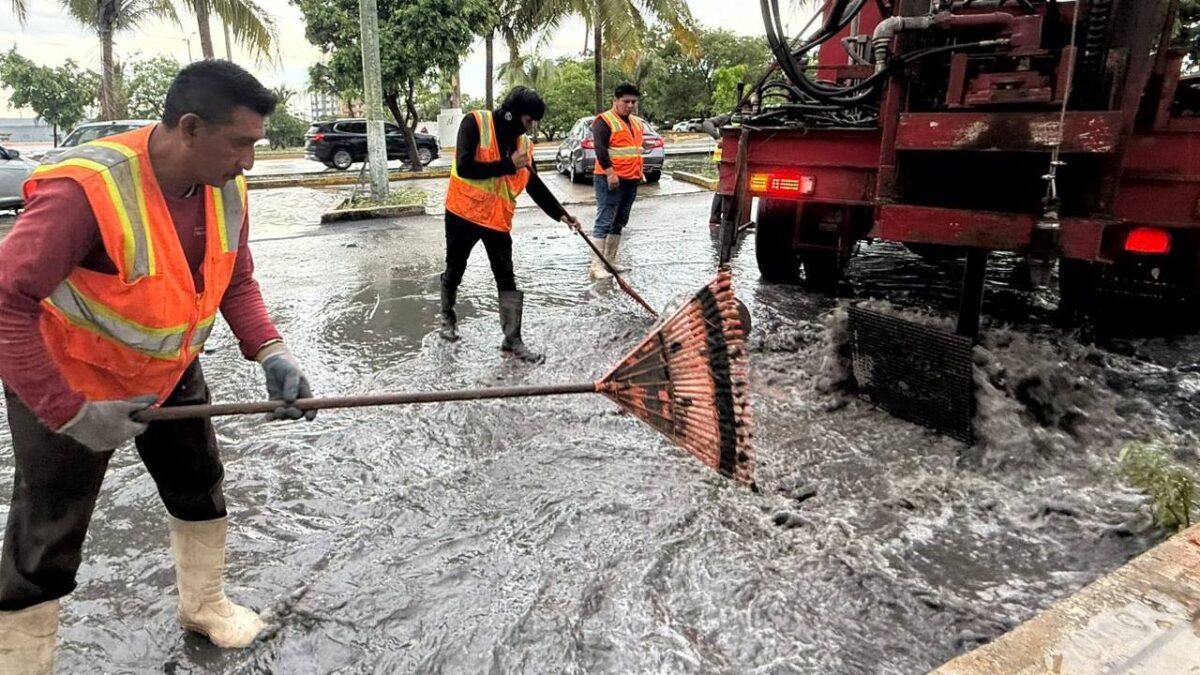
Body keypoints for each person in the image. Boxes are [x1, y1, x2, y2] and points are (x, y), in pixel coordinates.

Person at [0, 60, 317, 672]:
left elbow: (236, 280)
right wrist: (68, 413)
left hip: (167, 371)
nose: (249, 161)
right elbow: (6, 302)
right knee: (45, 540)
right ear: (191, 128)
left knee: (199, 486)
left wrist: (271, 351)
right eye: (242, 143)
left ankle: (204, 606)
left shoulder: (224, 186)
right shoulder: (85, 192)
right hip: (69, 378)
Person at [440, 86, 582, 363]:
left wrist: (561, 214)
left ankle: (512, 340)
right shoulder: (475, 123)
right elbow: (465, 166)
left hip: (496, 220)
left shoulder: (524, 146)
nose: (531, 128)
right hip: (463, 214)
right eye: (529, 121)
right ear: (512, 115)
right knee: (455, 268)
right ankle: (447, 317)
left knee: (506, 277)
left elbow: (533, 184)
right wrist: (507, 164)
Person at [589, 83, 646, 280]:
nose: (630, 105)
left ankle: (610, 261)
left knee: (620, 220)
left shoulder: (637, 123)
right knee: (605, 219)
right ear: (615, 101)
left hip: (631, 178)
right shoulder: (604, 121)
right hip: (609, 178)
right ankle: (596, 266)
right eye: (626, 101)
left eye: (633, 102)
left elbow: (636, 150)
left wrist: (640, 171)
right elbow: (600, 149)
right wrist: (610, 173)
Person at [702, 111, 734, 227]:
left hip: (734, 156)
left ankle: (722, 217)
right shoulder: (728, 117)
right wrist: (717, 138)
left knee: (729, 186)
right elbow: (707, 123)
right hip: (723, 157)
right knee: (725, 185)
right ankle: (715, 217)